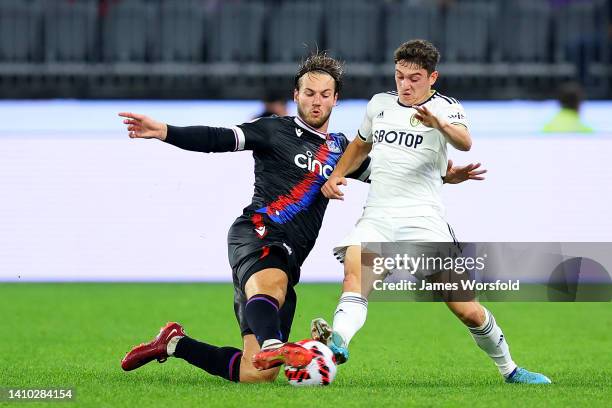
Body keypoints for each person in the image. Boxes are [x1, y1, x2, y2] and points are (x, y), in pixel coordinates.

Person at [118, 52, 481, 384]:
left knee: (256, 373)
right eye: (309, 93)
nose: (316, 100)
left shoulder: (341, 149)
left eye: (325, 94)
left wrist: (445, 176)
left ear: (335, 99)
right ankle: (275, 341)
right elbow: (218, 137)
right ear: (296, 94)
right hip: (258, 233)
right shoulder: (273, 130)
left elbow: (392, 174)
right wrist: (165, 131)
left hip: (291, 256)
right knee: (272, 287)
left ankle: (174, 344)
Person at [312, 40, 551, 384]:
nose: (405, 85)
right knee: (355, 278)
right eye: (399, 76)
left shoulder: (446, 108)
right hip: (377, 217)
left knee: (466, 309)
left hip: (423, 222)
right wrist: (335, 176)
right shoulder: (379, 105)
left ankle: (510, 370)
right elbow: (360, 146)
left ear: (432, 78)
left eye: (415, 78)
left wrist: (437, 124)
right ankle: (338, 343)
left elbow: (465, 142)